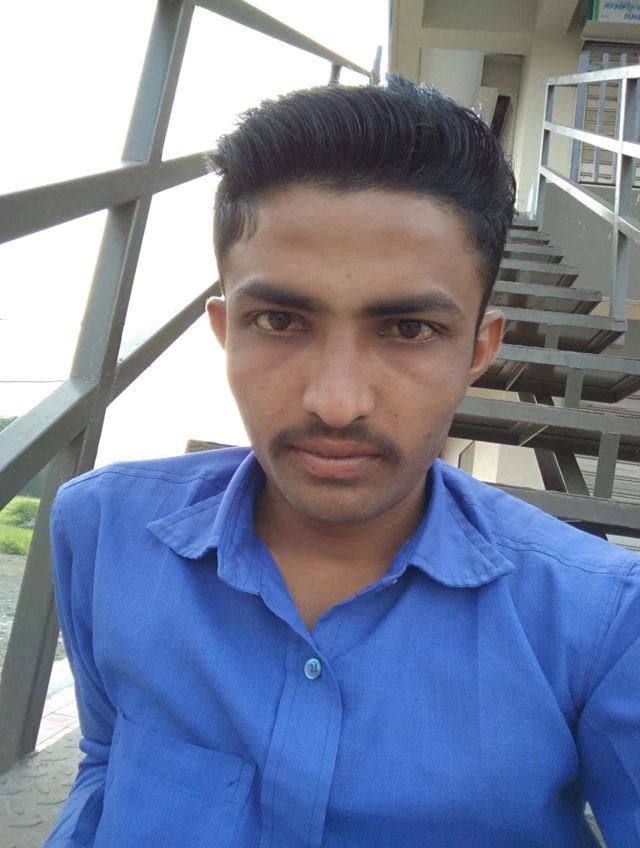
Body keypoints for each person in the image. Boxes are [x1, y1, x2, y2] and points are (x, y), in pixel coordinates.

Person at [46, 77, 639, 848]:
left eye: (409, 329)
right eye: (279, 320)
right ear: (226, 331)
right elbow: (106, 760)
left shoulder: (601, 621)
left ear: (478, 350)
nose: (335, 402)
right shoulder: (102, 530)